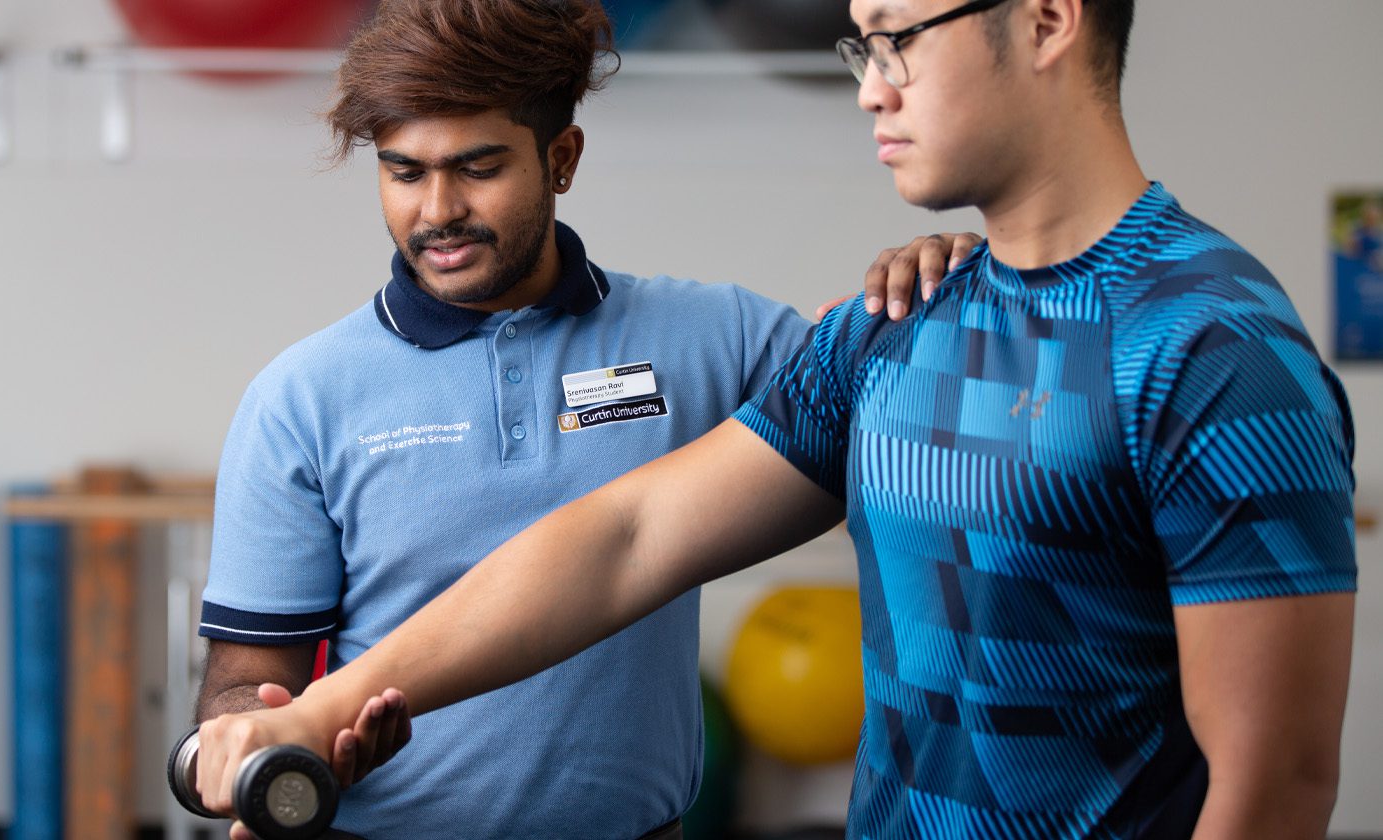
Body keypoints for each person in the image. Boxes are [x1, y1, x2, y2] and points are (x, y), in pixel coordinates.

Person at [195, 0, 1360, 837]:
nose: (869, 83)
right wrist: (330, 708)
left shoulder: (1213, 348)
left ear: (1049, 19)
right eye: (862, 43)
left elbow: (1275, 788)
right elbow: (626, 541)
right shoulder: (896, 327)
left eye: (898, 36)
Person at [192, 1, 974, 837]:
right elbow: (242, 682)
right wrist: (265, 741)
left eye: (478, 168)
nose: (438, 210)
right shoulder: (301, 398)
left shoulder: (722, 338)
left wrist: (934, 287)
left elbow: (915, 419)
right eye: (405, 172)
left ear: (561, 159)